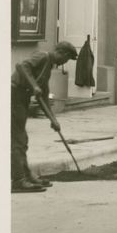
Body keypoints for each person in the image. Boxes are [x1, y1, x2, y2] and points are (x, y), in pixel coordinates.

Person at [10, 41, 78, 193]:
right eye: (66, 59)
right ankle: (18, 180)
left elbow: (44, 97)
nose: (64, 63)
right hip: (14, 95)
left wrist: (53, 120)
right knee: (18, 140)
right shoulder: (43, 56)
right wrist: (34, 85)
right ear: (63, 53)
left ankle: (27, 176)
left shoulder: (48, 67)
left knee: (22, 140)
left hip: (22, 99)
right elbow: (22, 66)